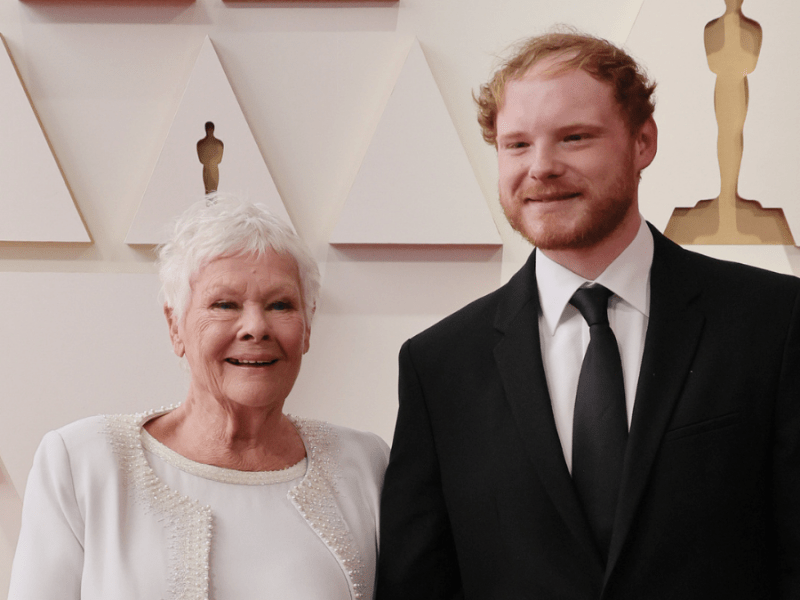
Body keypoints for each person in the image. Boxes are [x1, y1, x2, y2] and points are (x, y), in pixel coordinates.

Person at [377, 31, 800, 599]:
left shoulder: (774, 323)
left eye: (574, 138)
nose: (541, 167)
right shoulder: (439, 366)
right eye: (517, 144)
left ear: (643, 142)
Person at [9, 194, 389, 600]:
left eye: (280, 305)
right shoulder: (82, 461)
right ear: (176, 325)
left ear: (308, 326)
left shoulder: (364, 465)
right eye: (225, 304)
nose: (255, 328)